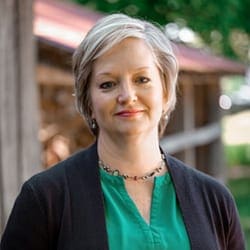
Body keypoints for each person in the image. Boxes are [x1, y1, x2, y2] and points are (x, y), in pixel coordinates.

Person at [0, 13, 245, 250]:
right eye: (108, 84)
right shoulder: (45, 199)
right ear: (89, 103)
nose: (127, 96)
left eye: (142, 79)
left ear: (166, 92)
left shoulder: (214, 199)